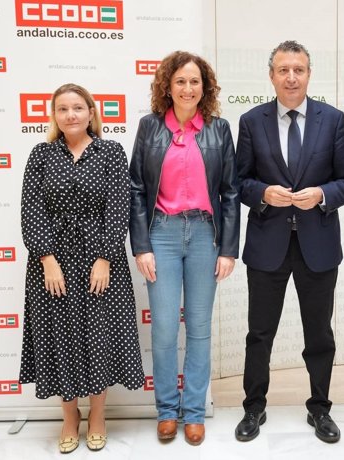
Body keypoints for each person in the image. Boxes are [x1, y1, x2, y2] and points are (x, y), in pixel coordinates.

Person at [234, 40, 344, 444]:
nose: (291, 77)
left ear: (309, 74)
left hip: (317, 244)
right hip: (268, 243)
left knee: (319, 334)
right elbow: (239, 182)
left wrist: (323, 195)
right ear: (271, 76)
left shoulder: (333, 119)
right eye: (284, 70)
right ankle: (253, 407)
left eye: (299, 70)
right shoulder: (252, 121)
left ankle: (320, 408)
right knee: (260, 333)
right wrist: (261, 194)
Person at [19, 83, 145, 454]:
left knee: (98, 335)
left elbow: (119, 207)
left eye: (78, 108)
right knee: (59, 337)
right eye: (63, 109)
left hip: (99, 261)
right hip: (52, 263)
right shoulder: (41, 155)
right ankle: (69, 417)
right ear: (54, 116)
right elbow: (31, 211)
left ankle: (98, 416)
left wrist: (104, 258)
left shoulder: (110, 152)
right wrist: (47, 260)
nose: (71, 115)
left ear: (91, 113)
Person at [129, 51, 240, 446]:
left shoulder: (218, 129)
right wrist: (141, 245)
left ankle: (193, 412)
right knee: (162, 327)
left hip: (205, 237)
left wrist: (228, 249)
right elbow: (138, 189)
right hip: (161, 233)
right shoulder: (149, 127)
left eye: (195, 82)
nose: (188, 88)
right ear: (167, 86)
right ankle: (166, 410)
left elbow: (230, 192)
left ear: (204, 87)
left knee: (198, 328)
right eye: (180, 81)